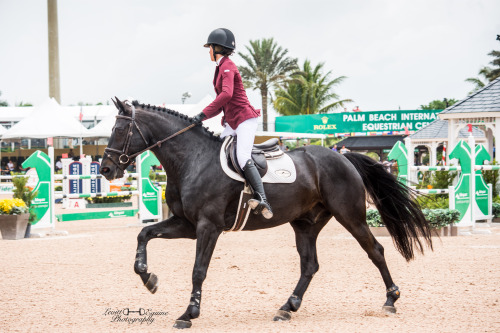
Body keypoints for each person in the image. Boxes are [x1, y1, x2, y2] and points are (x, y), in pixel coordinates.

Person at [192, 28, 272, 219]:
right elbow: (223, 103)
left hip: (244, 119)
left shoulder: (228, 66)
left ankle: (263, 199)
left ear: (217, 47)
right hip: (231, 121)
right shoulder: (220, 67)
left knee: (243, 156)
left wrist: (202, 114)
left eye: (209, 47)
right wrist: (200, 118)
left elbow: (226, 95)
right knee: (217, 153)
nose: (208, 51)